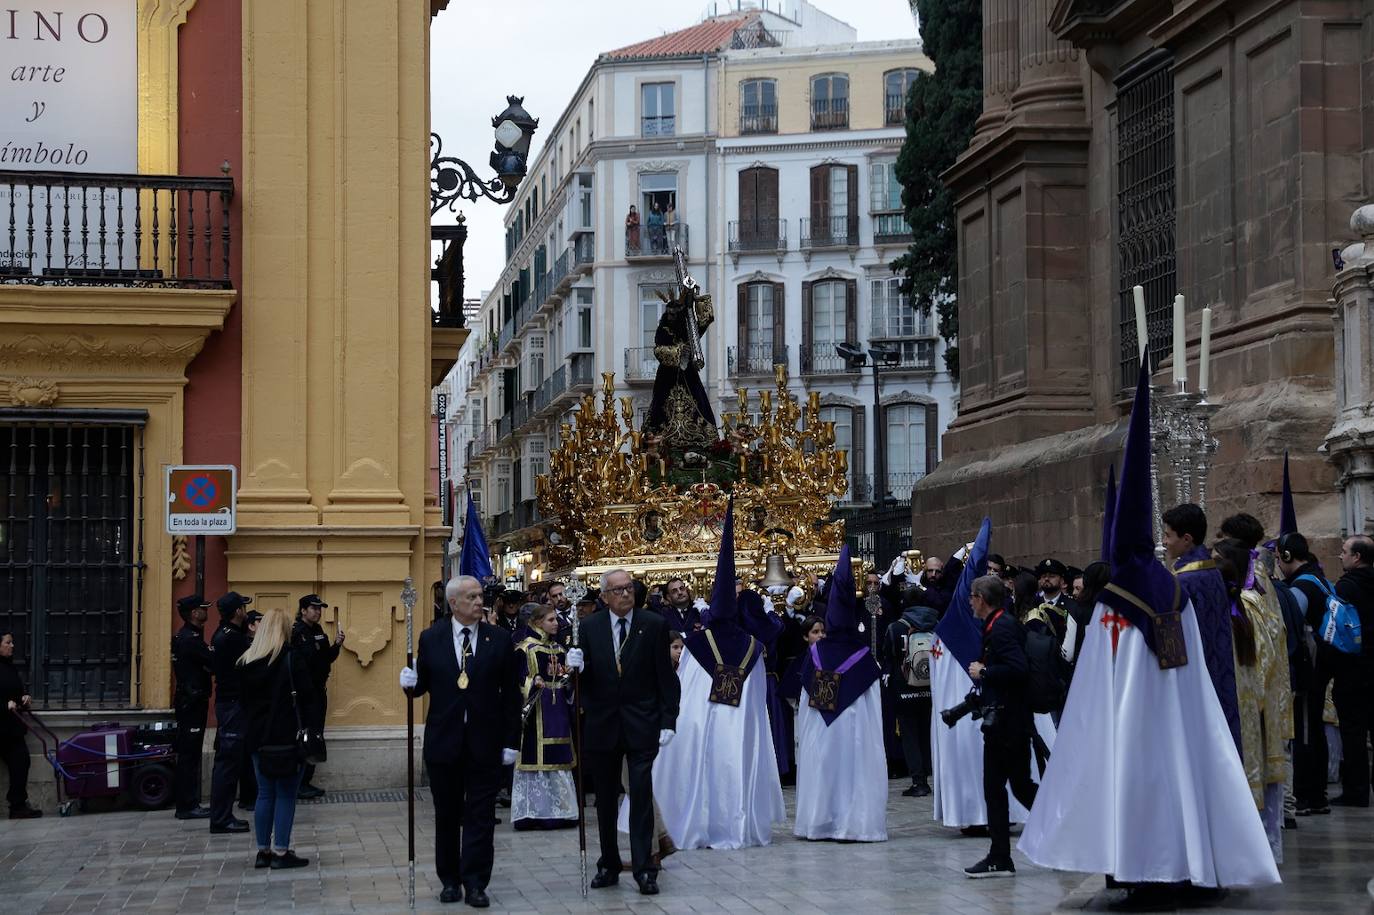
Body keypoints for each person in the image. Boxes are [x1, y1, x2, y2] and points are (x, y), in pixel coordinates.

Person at [1018, 362, 1279, 896]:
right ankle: (1189, 864)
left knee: (1139, 779)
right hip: (1182, 708)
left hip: (1133, 717)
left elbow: (1104, 669)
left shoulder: (1123, 596)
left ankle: (1147, 868)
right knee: (1182, 775)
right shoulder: (1172, 586)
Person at [655, 506, 785, 850]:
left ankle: (701, 822)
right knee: (737, 765)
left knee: (704, 767)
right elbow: (757, 701)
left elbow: (684, 692)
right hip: (742, 728)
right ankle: (739, 825)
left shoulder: (696, 646)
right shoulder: (754, 648)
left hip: (703, 726)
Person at [399, 575, 521, 907]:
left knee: (481, 815)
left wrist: (512, 740)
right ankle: (449, 880)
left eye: (480, 596)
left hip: (485, 740)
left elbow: (511, 694)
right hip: (445, 741)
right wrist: (409, 681)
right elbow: (422, 685)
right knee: (447, 814)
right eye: (471, 597)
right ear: (453, 603)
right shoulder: (432, 637)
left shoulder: (498, 639)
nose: (479, 602)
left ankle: (476, 881)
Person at [562, 568, 680, 896]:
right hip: (602, 724)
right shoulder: (587, 628)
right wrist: (576, 668)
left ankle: (644, 867)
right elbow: (578, 684)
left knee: (640, 794)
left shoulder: (653, 625)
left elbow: (665, 678)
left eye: (628, 588)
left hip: (642, 724)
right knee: (605, 801)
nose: (625, 594)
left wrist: (668, 720)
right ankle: (609, 863)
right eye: (617, 590)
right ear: (604, 597)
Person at [793, 544, 887, 842]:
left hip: (822, 727)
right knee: (854, 770)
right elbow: (874, 709)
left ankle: (819, 822)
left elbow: (806, 698)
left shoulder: (816, 652)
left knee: (823, 768)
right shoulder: (863, 656)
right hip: (856, 729)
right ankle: (854, 823)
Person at [1214, 537, 1291, 862]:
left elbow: (1264, 656)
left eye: (1217, 559)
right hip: (1251, 707)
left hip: (1249, 710)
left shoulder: (1248, 604)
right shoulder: (1248, 600)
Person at [963, 575, 1038, 877]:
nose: (970, 602)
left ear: (981, 598)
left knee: (1000, 787)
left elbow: (1018, 669)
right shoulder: (998, 623)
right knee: (1017, 786)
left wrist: (986, 671)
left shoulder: (1003, 627)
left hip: (1008, 721)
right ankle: (1000, 855)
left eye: (972, 596)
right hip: (1006, 719)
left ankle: (1000, 855)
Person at [1163, 502, 1241, 755]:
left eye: (1168, 535)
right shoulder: (1212, 571)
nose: (1164, 542)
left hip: (1192, 675)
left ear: (1187, 539)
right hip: (1218, 667)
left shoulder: (1183, 581)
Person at [238, 608, 313, 870]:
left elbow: (242, 703)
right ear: (284, 630)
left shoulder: (247, 662)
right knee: (286, 794)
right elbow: (308, 697)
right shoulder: (292, 659)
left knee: (264, 793)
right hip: (287, 737)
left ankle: (262, 851)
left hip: (258, 738)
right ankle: (281, 851)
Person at [1277, 531, 1340, 815]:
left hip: (1308, 667)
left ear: (1288, 556)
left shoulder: (1302, 585)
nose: (1278, 563)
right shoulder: (1321, 579)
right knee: (1313, 727)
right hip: (1324, 664)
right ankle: (1318, 795)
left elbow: (1290, 622)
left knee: (1303, 729)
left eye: (1279, 557)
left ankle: (1305, 794)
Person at [511, 604, 578, 830]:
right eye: (551, 620)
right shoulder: (526, 649)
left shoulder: (559, 649)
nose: (556, 624)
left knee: (558, 758)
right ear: (538, 622)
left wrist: (570, 676)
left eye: (556, 620)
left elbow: (563, 680)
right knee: (536, 759)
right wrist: (532, 682)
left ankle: (561, 811)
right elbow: (518, 679)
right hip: (537, 711)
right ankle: (533, 812)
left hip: (557, 709)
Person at [883, 591, 937, 797]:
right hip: (930, 686)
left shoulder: (895, 627)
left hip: (904, 687)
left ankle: (919, 781)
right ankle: (932, 772)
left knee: (910, 735)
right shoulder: (935, 625)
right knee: (927, 732)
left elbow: (889, 655)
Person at [1334, 535, 1374, 806]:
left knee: (1353, 732)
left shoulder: (1345, 587)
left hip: (1353, 670)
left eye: (1344, 551)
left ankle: (1357, 791)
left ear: (1357, 557)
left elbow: (1337, 628)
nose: (1340, 555)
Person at [209, 591, 253, 834]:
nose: (246, 612)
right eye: (243, 608)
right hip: (233, 704)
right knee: (228, 762)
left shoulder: (222, 635)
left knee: (226, 761)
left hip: (228, 703)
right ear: (237, 612)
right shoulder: (233, 639)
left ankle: (222, 815)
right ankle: (221, 818)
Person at [291, 595, 343, 800]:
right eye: (314, 608)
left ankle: (306, 780)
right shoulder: (296, 632)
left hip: (318, 690)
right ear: (303, 610)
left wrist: (337, 645)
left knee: (315, 734)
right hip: (305, 693)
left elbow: (326, 658)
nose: (318, 612)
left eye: (319, 609)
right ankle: (298, 781)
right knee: (304, 734)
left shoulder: (319, 631)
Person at [171, 594, 214, 820]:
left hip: (190, 700)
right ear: (194, 613)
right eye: (203, 608)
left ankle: (188, 803)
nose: (206, 611)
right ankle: (187, 805)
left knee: (190, 754)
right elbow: (211, 662)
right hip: (192, 702)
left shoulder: (187, 636)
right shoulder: (190, 639)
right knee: (189, 755)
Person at [0, 629, 40, 819]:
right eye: (8, 642)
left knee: (21, 761)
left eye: (12, 642)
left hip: (11, 729)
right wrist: (3, 704)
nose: (12, 646)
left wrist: (24, 698)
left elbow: (15, 692)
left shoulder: (9, 667)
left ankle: (17, 806)